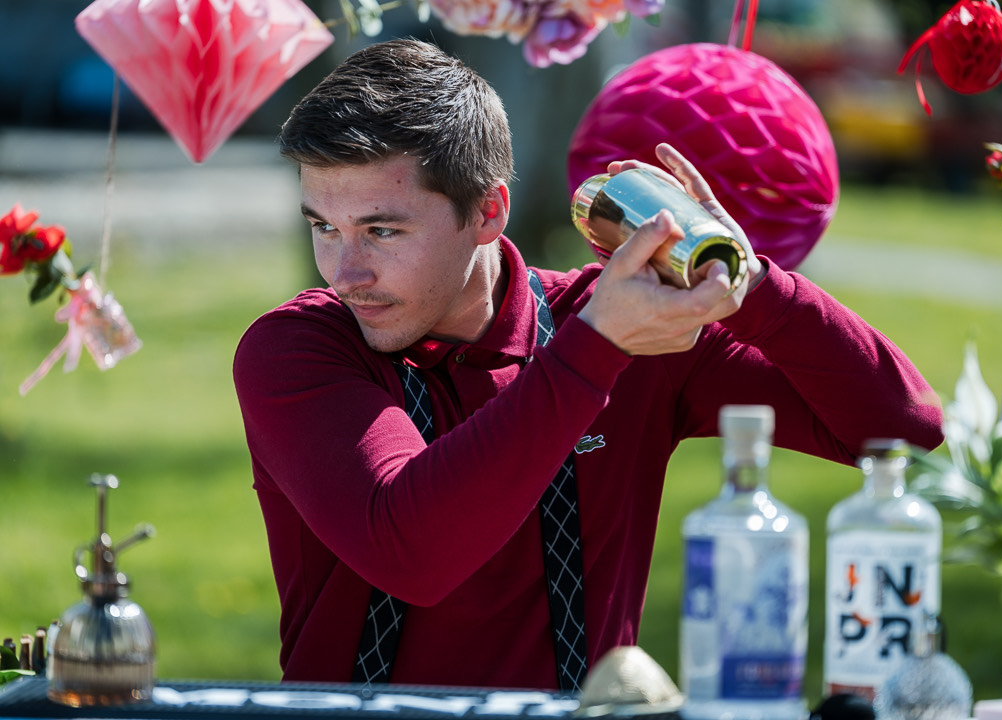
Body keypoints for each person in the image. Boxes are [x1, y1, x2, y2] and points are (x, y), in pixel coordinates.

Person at [233, 37, 944, 691]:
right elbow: (412, 553)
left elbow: (902, 430)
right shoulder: (296, 349)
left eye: (382, 230)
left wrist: (751, 285)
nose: (345, 272)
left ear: (488, 212)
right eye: (324, 227)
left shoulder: (625, 326)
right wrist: (596, 349)